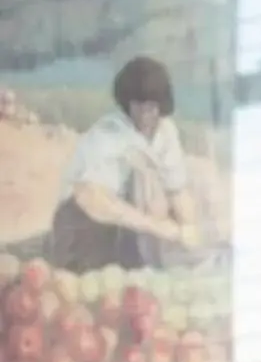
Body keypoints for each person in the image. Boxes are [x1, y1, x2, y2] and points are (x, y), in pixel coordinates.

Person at [48, 55, 203, 272]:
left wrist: (189, 227)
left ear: (161, 104)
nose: (145, 114)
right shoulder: (108, 135)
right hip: (83, 225)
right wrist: (161, 228)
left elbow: (176, 188)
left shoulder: (166, 132)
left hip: (128, 222)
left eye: (151, 106)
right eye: (137, 105)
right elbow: (93, 200)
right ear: (127, 103)